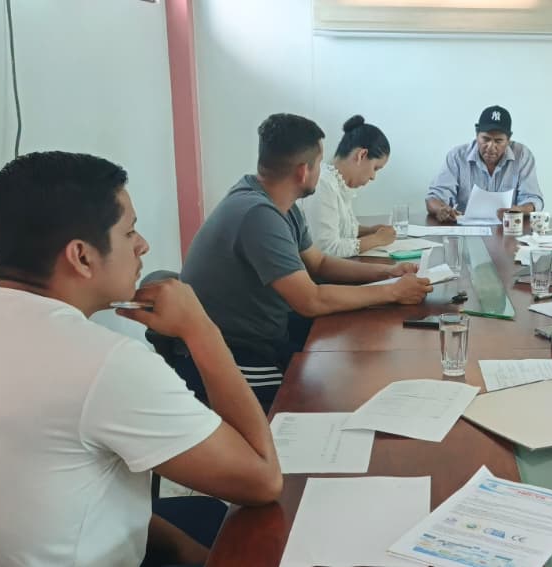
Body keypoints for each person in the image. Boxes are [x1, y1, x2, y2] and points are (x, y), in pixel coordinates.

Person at [0, 151, 283, 567]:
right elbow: (262, 481)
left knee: (206, 523)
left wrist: (190, 553)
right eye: (129, 232)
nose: (142, 245)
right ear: (81, 256)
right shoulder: (107, 363)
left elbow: (72, 486)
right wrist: (201, 330)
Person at [182, 113, 432, 410]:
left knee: (343, 373)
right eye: (319, 163)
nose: (323, 170)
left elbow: (320, 263)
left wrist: (386, 273)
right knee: (319, 402)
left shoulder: (280, 205)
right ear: (303, 171)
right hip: (232, 352)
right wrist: (393, 292)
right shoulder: (258, 215)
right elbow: (310, 300)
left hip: (268, 332)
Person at [425, 105, 543, 222]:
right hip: (465, 228)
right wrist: (440, 209)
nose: (491, 147)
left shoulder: (522, 156)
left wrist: (518, 210)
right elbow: (434, 197)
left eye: (498, 141)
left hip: (509, 227)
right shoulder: (457, 157)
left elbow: (533, 199)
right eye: (486, 139)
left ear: (508, 140)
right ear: (477, 135)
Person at [300, 115, 397, 257]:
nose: (373, 177)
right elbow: (326, 249)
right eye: (375, 168)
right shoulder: (323, 184)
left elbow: (341, 229)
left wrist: (370, 230)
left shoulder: (337, 183)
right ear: (361, 155)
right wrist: (376, 239)